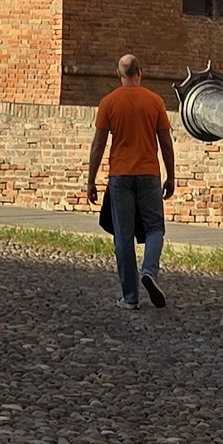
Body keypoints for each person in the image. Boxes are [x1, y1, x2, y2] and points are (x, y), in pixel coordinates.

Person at [81, 55, 176, 311]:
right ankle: (149, 271)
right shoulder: (154, 101)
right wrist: (171, 175)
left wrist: (91, 180)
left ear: (118, 74)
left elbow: (98, 144)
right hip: (149, 175)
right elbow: (166, 142)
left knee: (123, 236)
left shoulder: (109, 102)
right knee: (155, 228)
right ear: (140, 72)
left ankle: (130, 297)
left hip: (120, 176)